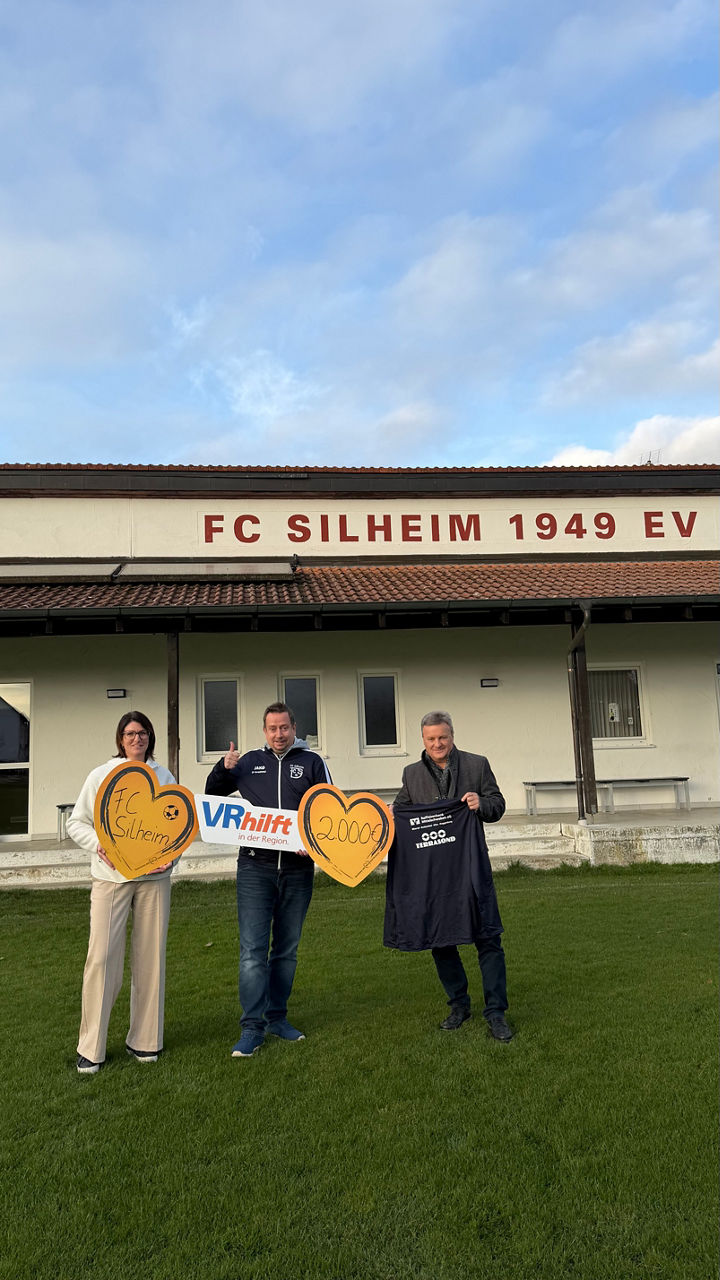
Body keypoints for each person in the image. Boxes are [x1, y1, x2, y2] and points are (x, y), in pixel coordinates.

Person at [205, 701, 331, 1058]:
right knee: (252, 952)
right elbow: (211, 796)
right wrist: (222, 768)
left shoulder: (312, 763)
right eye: (272, 728)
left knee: (286, 951)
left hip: (297, 869)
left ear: (294, 728)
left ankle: (278, 1018)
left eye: (284, 728)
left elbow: (328, 810)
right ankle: (252, 1027)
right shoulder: (247, 763)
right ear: (264, 731)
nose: (279, 734)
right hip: (254, 868)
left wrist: (314, 844)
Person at [389, 710, 513, 1041]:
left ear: (452, 735)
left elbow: (498, 804)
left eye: (442, 737)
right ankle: (459, 1005)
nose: (437, 743)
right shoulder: (411, 774)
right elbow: (400, 812)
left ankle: (496, 1012)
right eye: (431, 738)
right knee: (440, 940)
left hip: (471, 867)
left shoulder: (477, 765)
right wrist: (388, 814)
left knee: (488, 938)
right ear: (423, 740)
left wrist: (480, 803)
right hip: (433, 876)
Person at [68, 711, 176, 1074]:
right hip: (110, 879)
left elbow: (176, 826)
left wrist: (169, 860)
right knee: (102, 959)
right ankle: (91, 1048)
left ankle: (145, 1040)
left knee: (151, 958)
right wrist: (100, 845)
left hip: (153, 881)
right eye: (130, 733)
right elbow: (77, 823)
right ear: (120, 739)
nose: (137, 739)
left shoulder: (164, 776)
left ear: (150, 737)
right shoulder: (101, 775)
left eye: (142, 733)